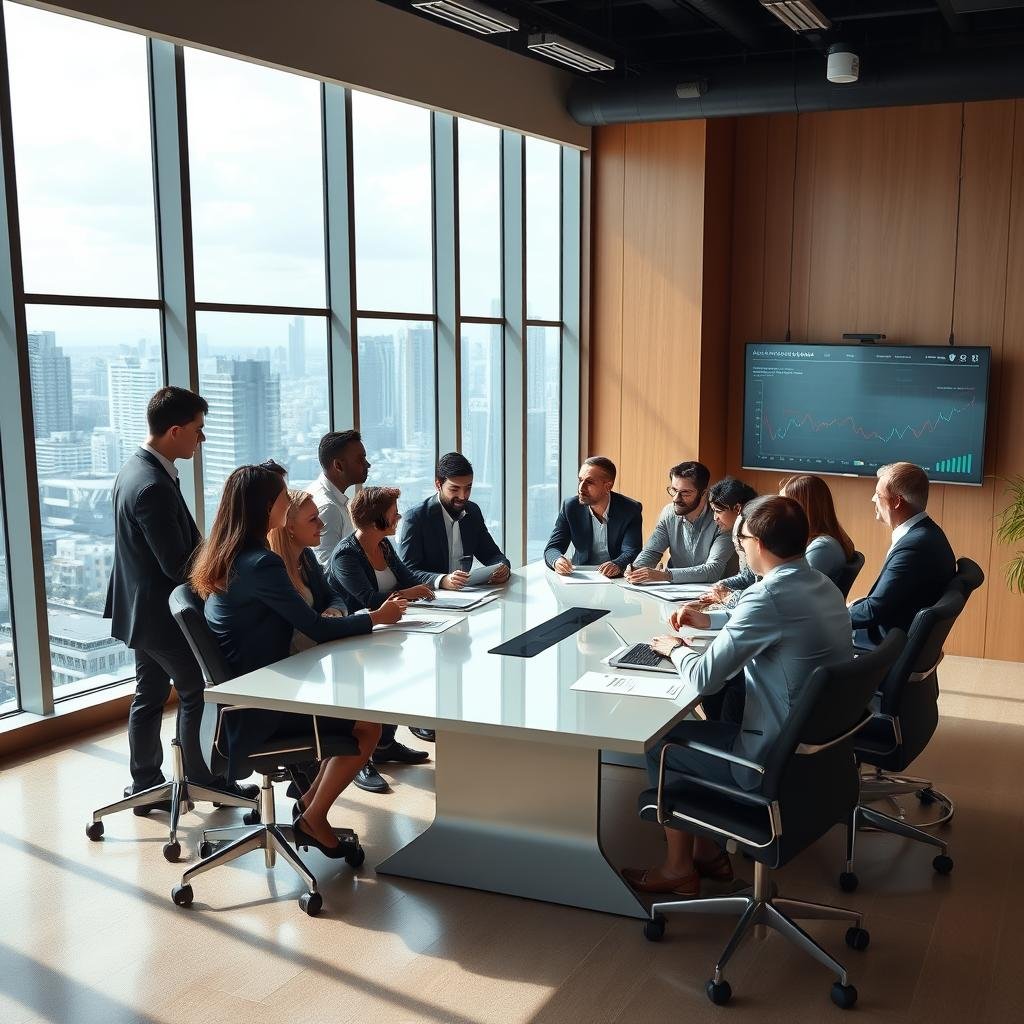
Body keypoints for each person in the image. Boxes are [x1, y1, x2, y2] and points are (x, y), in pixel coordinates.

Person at [622, 496, 853, 896]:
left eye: (740, 537)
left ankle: (678, 868)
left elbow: (706, 679)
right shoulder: (819, 583)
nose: (739, 546)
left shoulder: (768, 597)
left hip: (767, 762)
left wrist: (674, 648)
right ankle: (708, 852)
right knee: (701, 725)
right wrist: (708, 619)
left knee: (663, 743)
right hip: (814, 755)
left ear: (758, 543)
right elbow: (771, 620)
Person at [192, 464, 405, 858]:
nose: (286, 504)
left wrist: (342, 615)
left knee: (359, 716)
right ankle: (313, 815)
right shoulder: (262, 563)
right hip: (261, 708)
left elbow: (317, 611)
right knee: (367, 726)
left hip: (247, 696)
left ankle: (310, 806)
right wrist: (375, 618)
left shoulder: (229, 553)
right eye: (281, 498)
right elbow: (315, 628)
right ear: (267, 507)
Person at [104, 386, 249, 804]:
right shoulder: (151, 485)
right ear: (174, 430)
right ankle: (202, 782)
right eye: (198, 430)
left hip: (139, 609)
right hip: (162, 613)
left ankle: (146, 783)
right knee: (196, 690)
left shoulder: (136, 468)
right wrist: (222, 571)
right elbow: (176, 565)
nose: (201, 439)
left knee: (148, 694)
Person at [328, 485, 445, 791]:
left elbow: (409, 579)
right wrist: (409, 593)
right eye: (393, 513)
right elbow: (367, 599)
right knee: (370, 692)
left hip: (385, 632)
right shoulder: (345, 555)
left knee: (402, 673)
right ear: (375, 518)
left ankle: (385, 744)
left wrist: (440, 582)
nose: (399, 517)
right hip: (352, 639)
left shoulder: (384, 546)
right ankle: (359, 759)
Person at [849, 462, 955, 648]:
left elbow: (874, 611)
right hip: (897, 632)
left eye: (878, 494)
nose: (873, 499)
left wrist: (832, 618)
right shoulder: (927, 533)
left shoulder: (914, 548)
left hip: (884, 643)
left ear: (897, 502)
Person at [267, 488, 368, 654]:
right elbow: (311, 628)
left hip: (317, 653)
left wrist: (334, 611)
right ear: (290, 527)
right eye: (313, 519)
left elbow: (333, 595)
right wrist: (376, 617)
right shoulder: (272, 569)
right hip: (291, 663)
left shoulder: (306, 557)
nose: (321, 524)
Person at [399, 452, 511, 587]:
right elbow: (407, 572)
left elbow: (492, 555)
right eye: (454, 489)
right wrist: (442, 580)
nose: (463, 496)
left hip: (467, 596)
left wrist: (503, 568)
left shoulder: (473, 512)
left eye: (468, 488)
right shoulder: (416, 518)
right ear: (438, 485)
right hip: (430, 598)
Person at [625, 462, 736, 584]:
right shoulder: (668, 512)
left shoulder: (723, 519)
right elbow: (652, 552)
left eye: (685, 493)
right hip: (673, 589)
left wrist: (665, 575)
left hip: (714, 591)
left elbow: (713, 570)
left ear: (704, 494)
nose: (676, 498)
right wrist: (636, 569)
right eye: (674, 490)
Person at [544, 457, 643, 578]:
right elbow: (552, 548)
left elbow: (631, 550)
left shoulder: (630, 509)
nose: (581, 488)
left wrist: (617, 564)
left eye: (589, 482)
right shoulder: (570, 507)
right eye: (580, 480)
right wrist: (557, 561)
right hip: (581, 575)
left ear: (608, 486)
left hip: (617, 578)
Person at [307, 430, 371, 567]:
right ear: (338, 466)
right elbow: (327, 568)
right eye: (361, 459)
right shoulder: (328, 508)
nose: (368, 464)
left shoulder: (329, 497)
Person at [778, 474, 855, 585]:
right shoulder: (810, 542)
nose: (776, 512)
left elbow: (791, 588)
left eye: (782, 506)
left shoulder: (823, 547)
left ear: (804, 509)